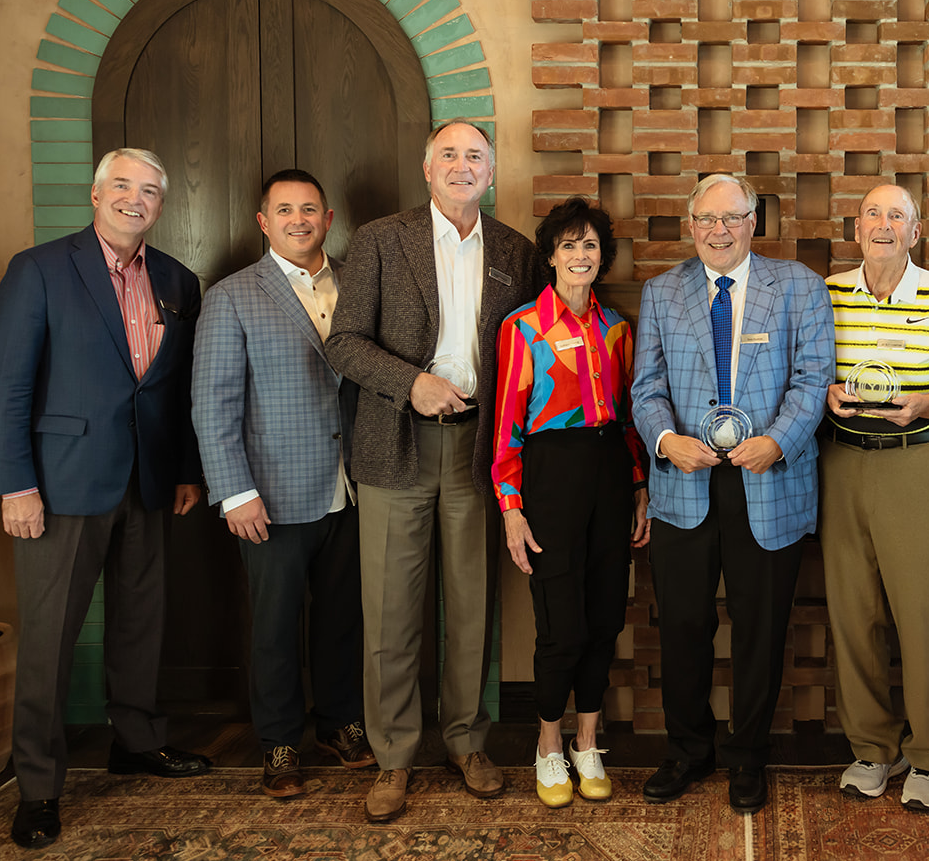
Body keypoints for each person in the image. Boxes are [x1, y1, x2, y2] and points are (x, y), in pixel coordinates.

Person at [0, 148, 211, 850]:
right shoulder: (40, 268)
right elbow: (8, 385)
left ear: (161, 206)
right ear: (94, 192)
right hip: (60, 484)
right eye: (122, 185)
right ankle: (40, 785)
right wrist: (15, 482)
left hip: (147, 480)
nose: (134, 199)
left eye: (149, 190)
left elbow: (173, 390)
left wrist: (183, 468)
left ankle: (136, 740)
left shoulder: (177, 278)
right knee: (50, 639)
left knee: (142, 622)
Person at [324, 121, 546, 822]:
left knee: (471, 604)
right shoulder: (380, 240)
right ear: (426, 168)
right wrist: (410, 382)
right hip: (398, 442)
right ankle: (393, 755)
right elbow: (345, 344)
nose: (461, 165)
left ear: (490, 170)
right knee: (390, 610)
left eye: (474, 156)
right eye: (448, 154)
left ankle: (467, 739)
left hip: (480, 448)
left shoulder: (515, 250)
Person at [630, 173, 835, 813]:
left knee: (760, 628)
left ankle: (748, 757)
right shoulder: (662, 293)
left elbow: (813, 377)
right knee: (683, 627)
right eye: (707, 219)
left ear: (754, 222)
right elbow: (646, 386)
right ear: (691, 226)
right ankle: (688, 751)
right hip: (685, 486)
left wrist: (778, 441)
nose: (719, 230)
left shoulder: (799, 286)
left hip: (766, 482)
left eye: (733, 218)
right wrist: (665, 440)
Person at [191, 169, 374, 800]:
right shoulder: (233, 296)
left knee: (344, 618)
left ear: (329, 219)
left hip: (354, 487)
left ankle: (341, 723)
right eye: (285, 210)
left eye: (311, 209)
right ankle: (278, 741)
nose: (300, 220)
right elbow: (212, 403)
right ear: (264, 222)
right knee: (272, 626)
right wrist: (233, 491)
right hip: (269, 493)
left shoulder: (359, 281)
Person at [821, 184, 929, 812]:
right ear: (856, 227)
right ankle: (873, 748)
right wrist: (825, 395)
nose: (884, 225)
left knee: (927, 619)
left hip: (921, 465)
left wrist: (928, 403)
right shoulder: (828, 292)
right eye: (873, 214)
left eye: (898, 216)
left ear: (915, 233)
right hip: (842, 466)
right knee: (853, 615)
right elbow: (803, 372)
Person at [491, 197, 651, 808]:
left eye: (590, 246)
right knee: (562, 625)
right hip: (550, 478)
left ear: (602, 257)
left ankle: (588, 742)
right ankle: (548, 746)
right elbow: (507, 427)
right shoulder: (522, 328)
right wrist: (511, 505)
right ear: (551, 256)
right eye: (568, 245)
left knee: (606, 617)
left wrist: (638, 488)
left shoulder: (617, 329)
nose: (580, 256)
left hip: (611, 473)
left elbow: (633, 421)